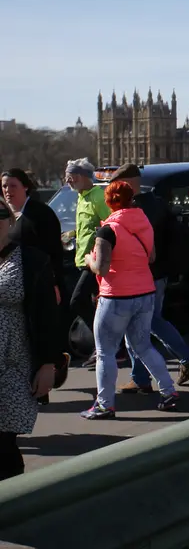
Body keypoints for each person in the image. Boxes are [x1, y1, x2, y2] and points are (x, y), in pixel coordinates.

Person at [81, 181, 178, 418]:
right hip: (144, 293)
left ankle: (105, 404)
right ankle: (168, 391)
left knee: (105, 352)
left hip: (116, 297)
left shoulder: (107, 230)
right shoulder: (143, 221)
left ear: (109, 202)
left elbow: (102, 268)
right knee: (143, 346)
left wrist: (88, 259)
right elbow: (151, 256)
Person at [109, 165, 189, 394]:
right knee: (145, 324)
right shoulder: (155, 203)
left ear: (129, 183)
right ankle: (142, 376)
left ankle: (184, 358)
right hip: (155, 274)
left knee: (142, 325)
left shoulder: (139, 208)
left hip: (144, 276)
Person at [0, 194, 64, 479]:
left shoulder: (30, 260)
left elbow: (48, 316)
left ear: (10, 220)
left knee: (5, 440)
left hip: (14, 361)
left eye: (1, 216)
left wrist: (49, 364)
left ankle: (18, 504)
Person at [64, 158, 111, 360]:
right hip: (82, 259)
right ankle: (103, 347)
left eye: (71, 177)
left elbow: (109, 226)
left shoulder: (98, 196)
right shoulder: (82, 196)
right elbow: (88, 225)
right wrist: (71, 234)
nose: (68, 181)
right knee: (94, 304)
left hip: (93, 261)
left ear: (83, 176)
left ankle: (106, 343)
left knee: (77, 301)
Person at [2, 169, 64, 297]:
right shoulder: (4, 214)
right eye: (4, 186)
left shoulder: (41, 213)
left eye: (13, 186)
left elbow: (54, 250)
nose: (8, 190)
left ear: (25, 187)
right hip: (9, 282)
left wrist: (54, 283)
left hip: (37, 281)